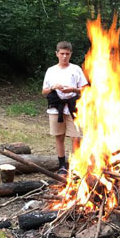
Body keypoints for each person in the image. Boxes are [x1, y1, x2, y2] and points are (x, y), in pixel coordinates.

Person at [42, 41, 88, 174]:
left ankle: (77, 166)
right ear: (57, 54)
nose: (64, 56)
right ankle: (62, 165)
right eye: (62, 53)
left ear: (71, 54)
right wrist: (52, 87)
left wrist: (73, 89)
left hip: (73, 107)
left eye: (67, 54)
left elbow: (85, 89)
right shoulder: (51, 71)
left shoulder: (76, 69)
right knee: (59, 136)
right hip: (56, 108)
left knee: (76, 137)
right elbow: (44, 91)